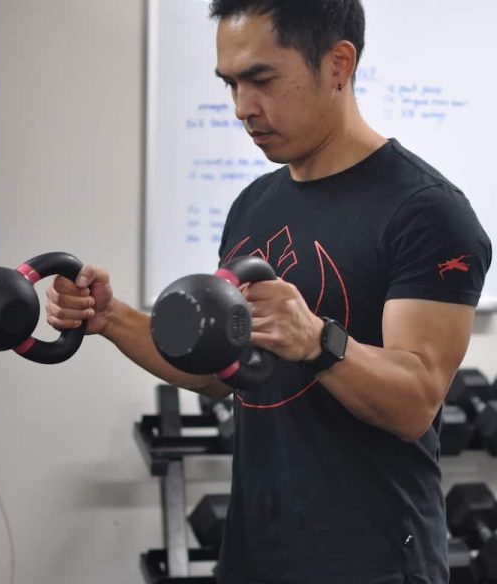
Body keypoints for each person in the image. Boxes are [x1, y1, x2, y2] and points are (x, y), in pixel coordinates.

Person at [46, 1, 492, 582]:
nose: (241, 108)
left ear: (338, 64)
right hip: (256, 551)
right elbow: (217, 371)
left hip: (377, 560)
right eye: (231, 84)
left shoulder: (425, 212)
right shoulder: (254, 204)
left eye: (261, 80)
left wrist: (316, 341)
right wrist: (113, 319)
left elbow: (415, 401)